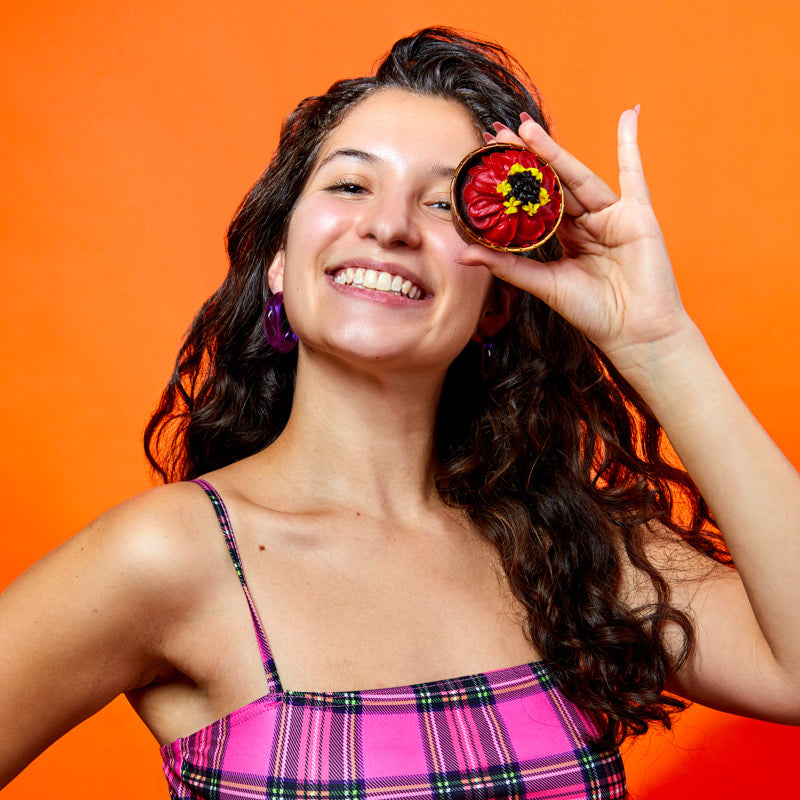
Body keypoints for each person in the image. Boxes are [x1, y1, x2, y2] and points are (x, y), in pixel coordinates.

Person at [1, 25, 798, 799]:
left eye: (449, 205)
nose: (387, 226)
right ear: (278, 261)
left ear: (497, 301)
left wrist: (659, 340)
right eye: (350, 184)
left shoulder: (567, 547)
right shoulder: (170, 556)